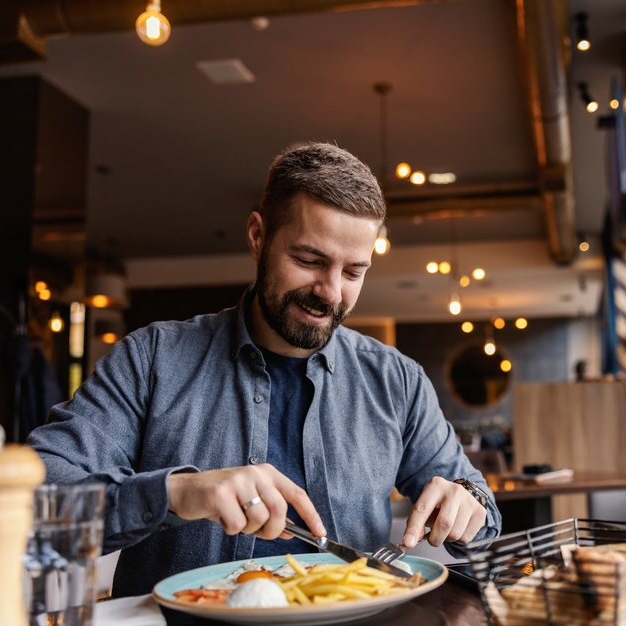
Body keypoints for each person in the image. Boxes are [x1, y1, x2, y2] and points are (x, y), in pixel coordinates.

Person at [29, 143, 501, 597]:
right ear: (258, 237)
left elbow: (480, 508)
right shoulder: (151, 359)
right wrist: (177, 492)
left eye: (354, 272)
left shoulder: (397, 380)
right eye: (309, 260)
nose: (332, 293)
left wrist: (467, 503)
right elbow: (36, 500)